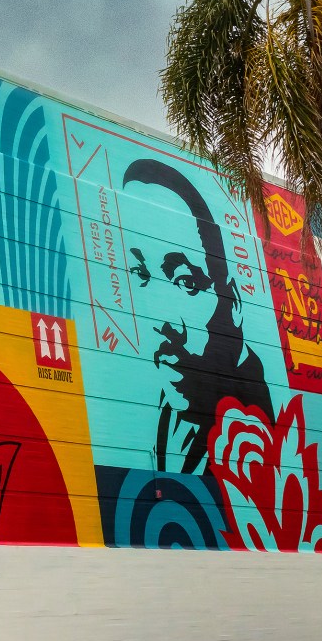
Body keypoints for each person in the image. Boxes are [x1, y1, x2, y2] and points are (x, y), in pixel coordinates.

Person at [120, 158, 273, 475]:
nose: (163, 322)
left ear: (233, 303)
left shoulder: (261, 441)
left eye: (186, 283)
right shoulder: (170, 404)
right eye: (141, 275)